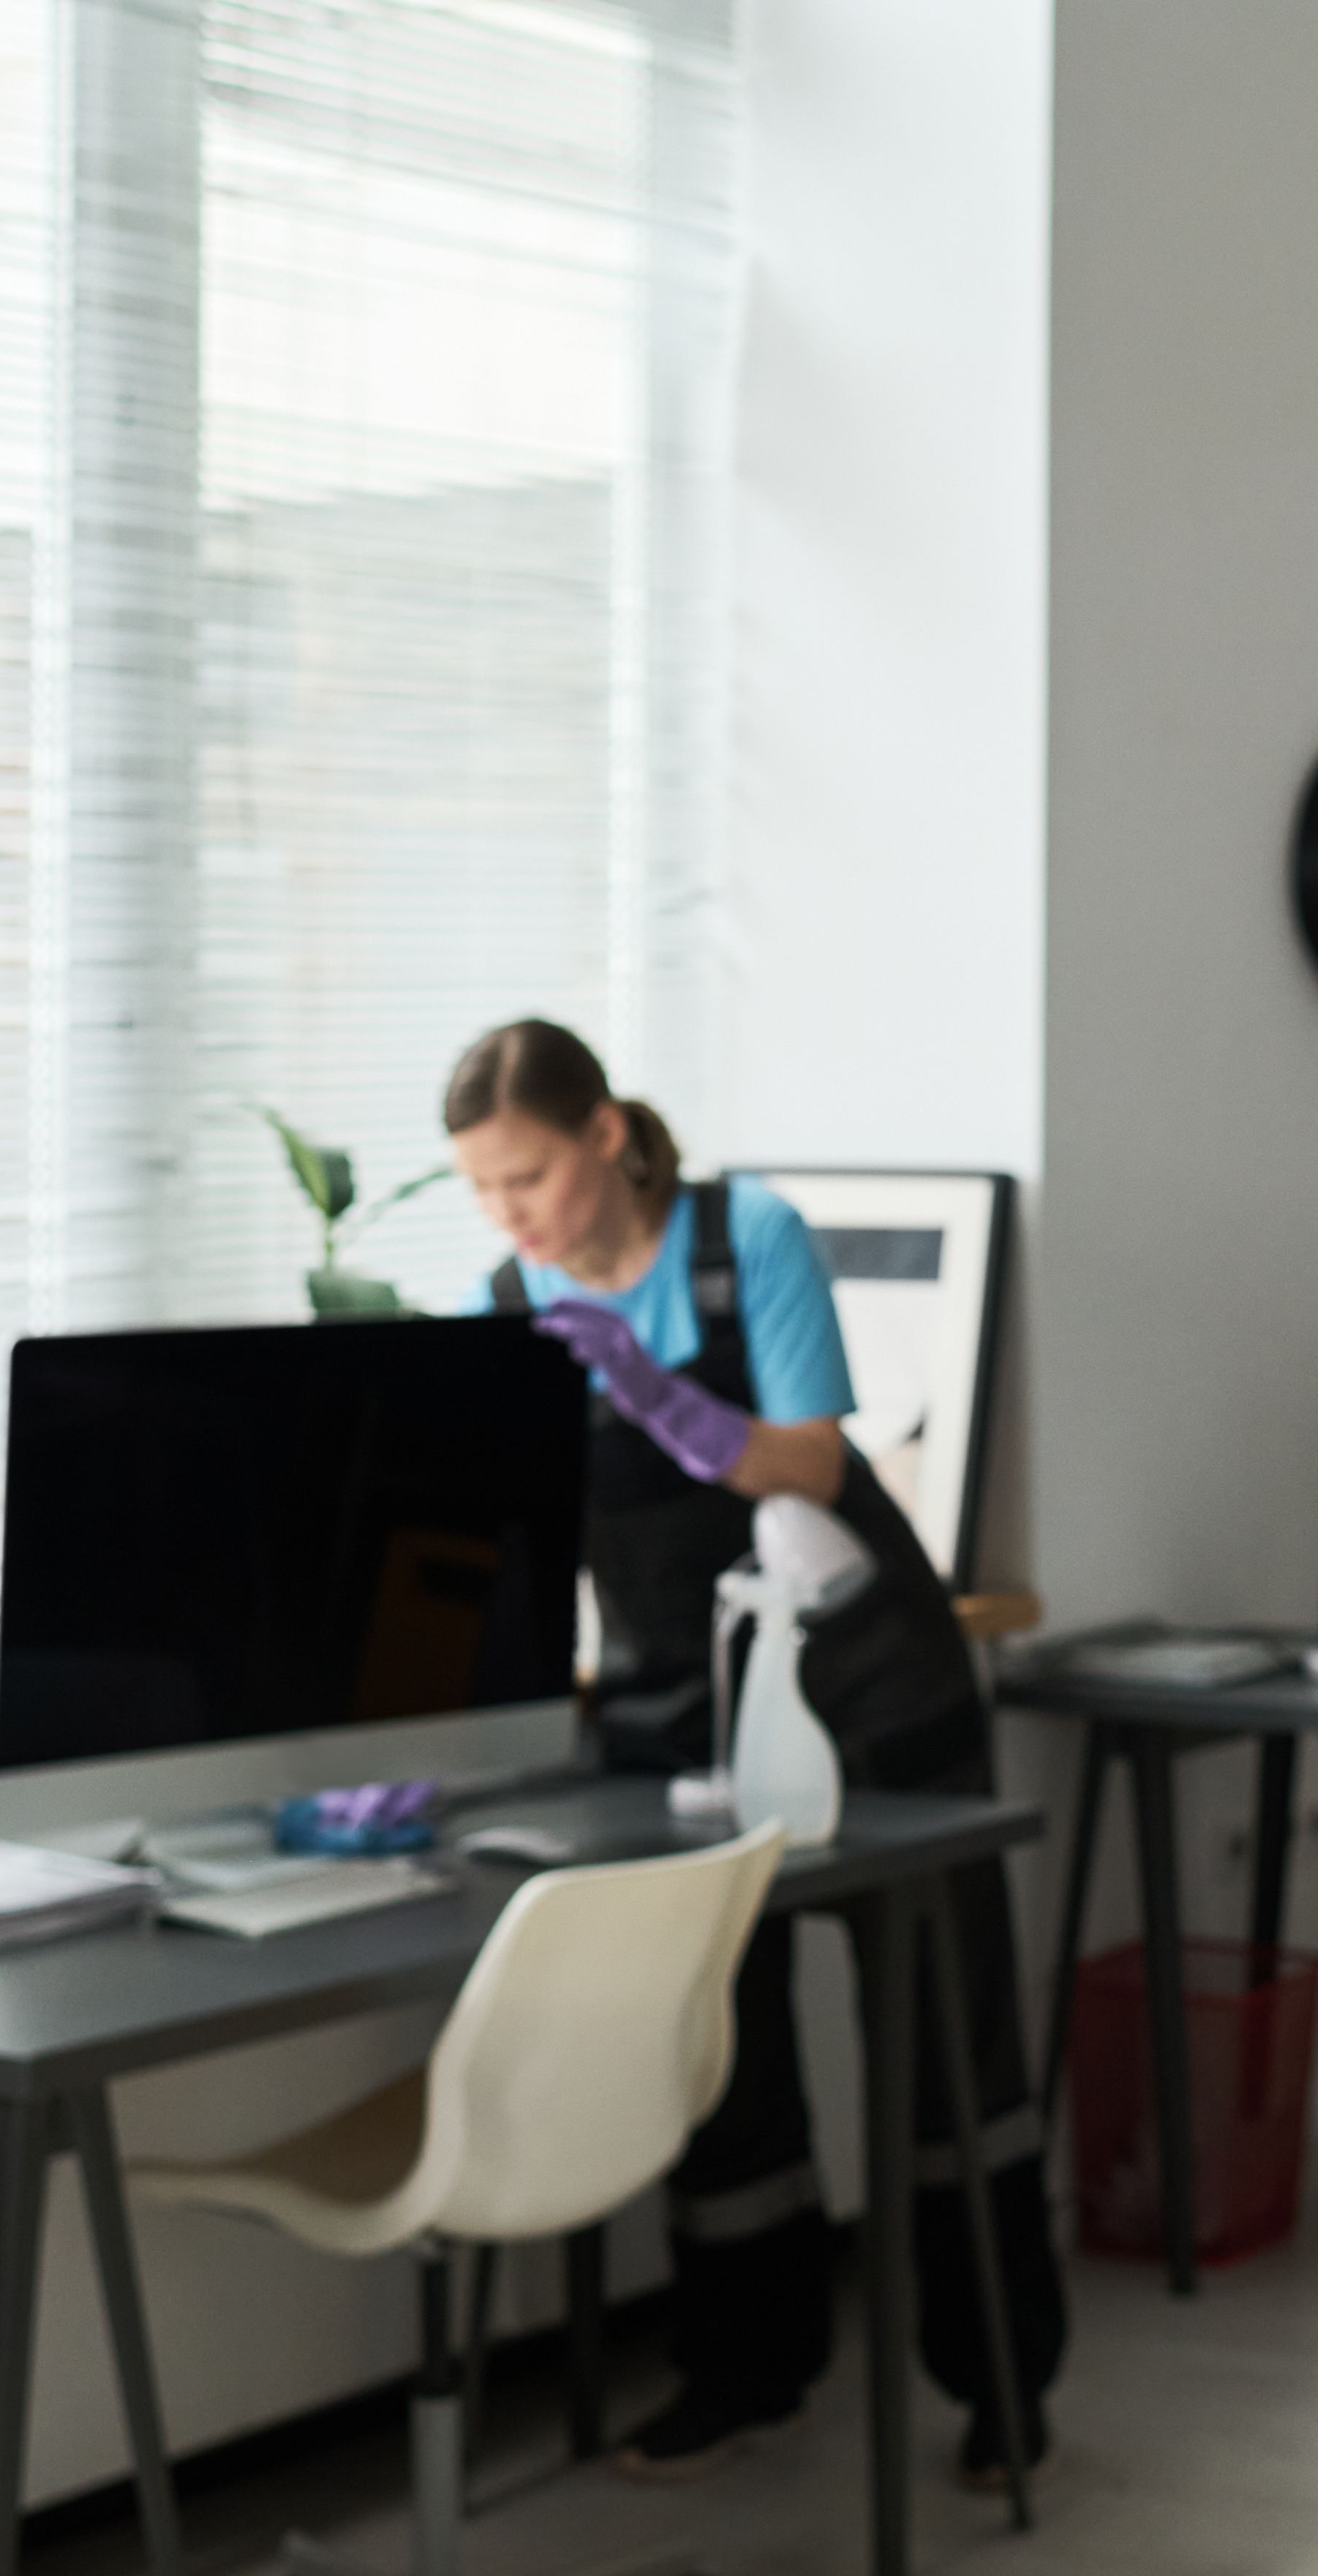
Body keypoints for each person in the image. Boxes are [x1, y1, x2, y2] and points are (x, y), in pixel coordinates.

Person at [445, 1018, 1059, 2486]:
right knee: (720, 2047)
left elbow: (814, 1459)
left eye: (526, 1175)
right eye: (482, 1192)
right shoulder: (506, 1298)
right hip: (678, 1714)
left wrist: (663, 1400)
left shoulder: (745, 1235)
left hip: (871, 1688)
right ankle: (751, 2367)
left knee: (939, 2034)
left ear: (602, 1136)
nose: (509, 1217)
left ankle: (998, 2384)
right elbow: (502, 1541)